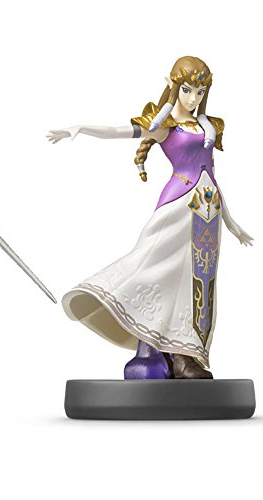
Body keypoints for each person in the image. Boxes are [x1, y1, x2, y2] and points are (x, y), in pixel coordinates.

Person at [48, 56, 252, 379]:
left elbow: (211, 175)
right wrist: (82, 128)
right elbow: (122, 131)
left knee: (198, 283)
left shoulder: (208, 126)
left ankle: (185, 355)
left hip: (207, 213)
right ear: (175, 86)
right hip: (178, 206)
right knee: (155, 270)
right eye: (187, 90)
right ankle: (156, 347)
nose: (193, 99)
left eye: (200, 92)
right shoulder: (165, 126)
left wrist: (232, 223)